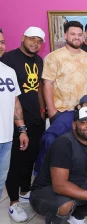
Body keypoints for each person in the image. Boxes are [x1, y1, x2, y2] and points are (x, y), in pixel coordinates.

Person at [30, 107, 87, 224]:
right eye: (84, 122)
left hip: (78, 184)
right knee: (65, 204)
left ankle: (77, 215)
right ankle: (55, 220)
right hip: (44, 192)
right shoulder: (63, 143)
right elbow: (60, 185)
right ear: (74, 125)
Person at [35, 21, 87, 173]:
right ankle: (43, 181)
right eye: (73, 34)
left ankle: (72, 181)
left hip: (82, 114)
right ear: (66, 35)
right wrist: (52, 111)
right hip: (61, 112)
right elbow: (47, 84)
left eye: (79, 34)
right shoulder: (54, 57)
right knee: (53, 148)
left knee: (77, 152)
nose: (76, 37)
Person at [2, 27, 46, 222]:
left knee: (30, 158)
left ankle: (25, 191)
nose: (35, 43)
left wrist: (42, 111)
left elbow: (38, 89)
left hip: (34, 118)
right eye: (31, 39)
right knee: (15, 162)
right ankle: (13, 201)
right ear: (22, 38)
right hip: (14, 121)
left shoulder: (39, 61)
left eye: (39, 41)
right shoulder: (8, 59)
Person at [35, 94, 87, 174]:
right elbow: (48, 138)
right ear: (79, 107)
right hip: (49, 168)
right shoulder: (68, 117)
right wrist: (59, 156)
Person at [0, 62, 29, 209]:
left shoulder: (9, 71)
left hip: (6, 138)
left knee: (1, 179)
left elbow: (15, 102)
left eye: (2, 42)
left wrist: (22, 130)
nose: (0, 46)